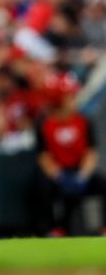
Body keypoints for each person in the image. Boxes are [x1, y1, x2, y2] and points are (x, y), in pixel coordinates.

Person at [35, 73, 106, 237]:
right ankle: (53, 229)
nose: (74, 100)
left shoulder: (83, 121)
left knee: (102, 185)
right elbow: (43, 156)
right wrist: (58, 176)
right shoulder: (44, 124)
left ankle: (103, 227)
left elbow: (91, 152)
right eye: (70, 97)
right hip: (58, 172)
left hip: (80, 169)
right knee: (42, 189)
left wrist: (82, 176)